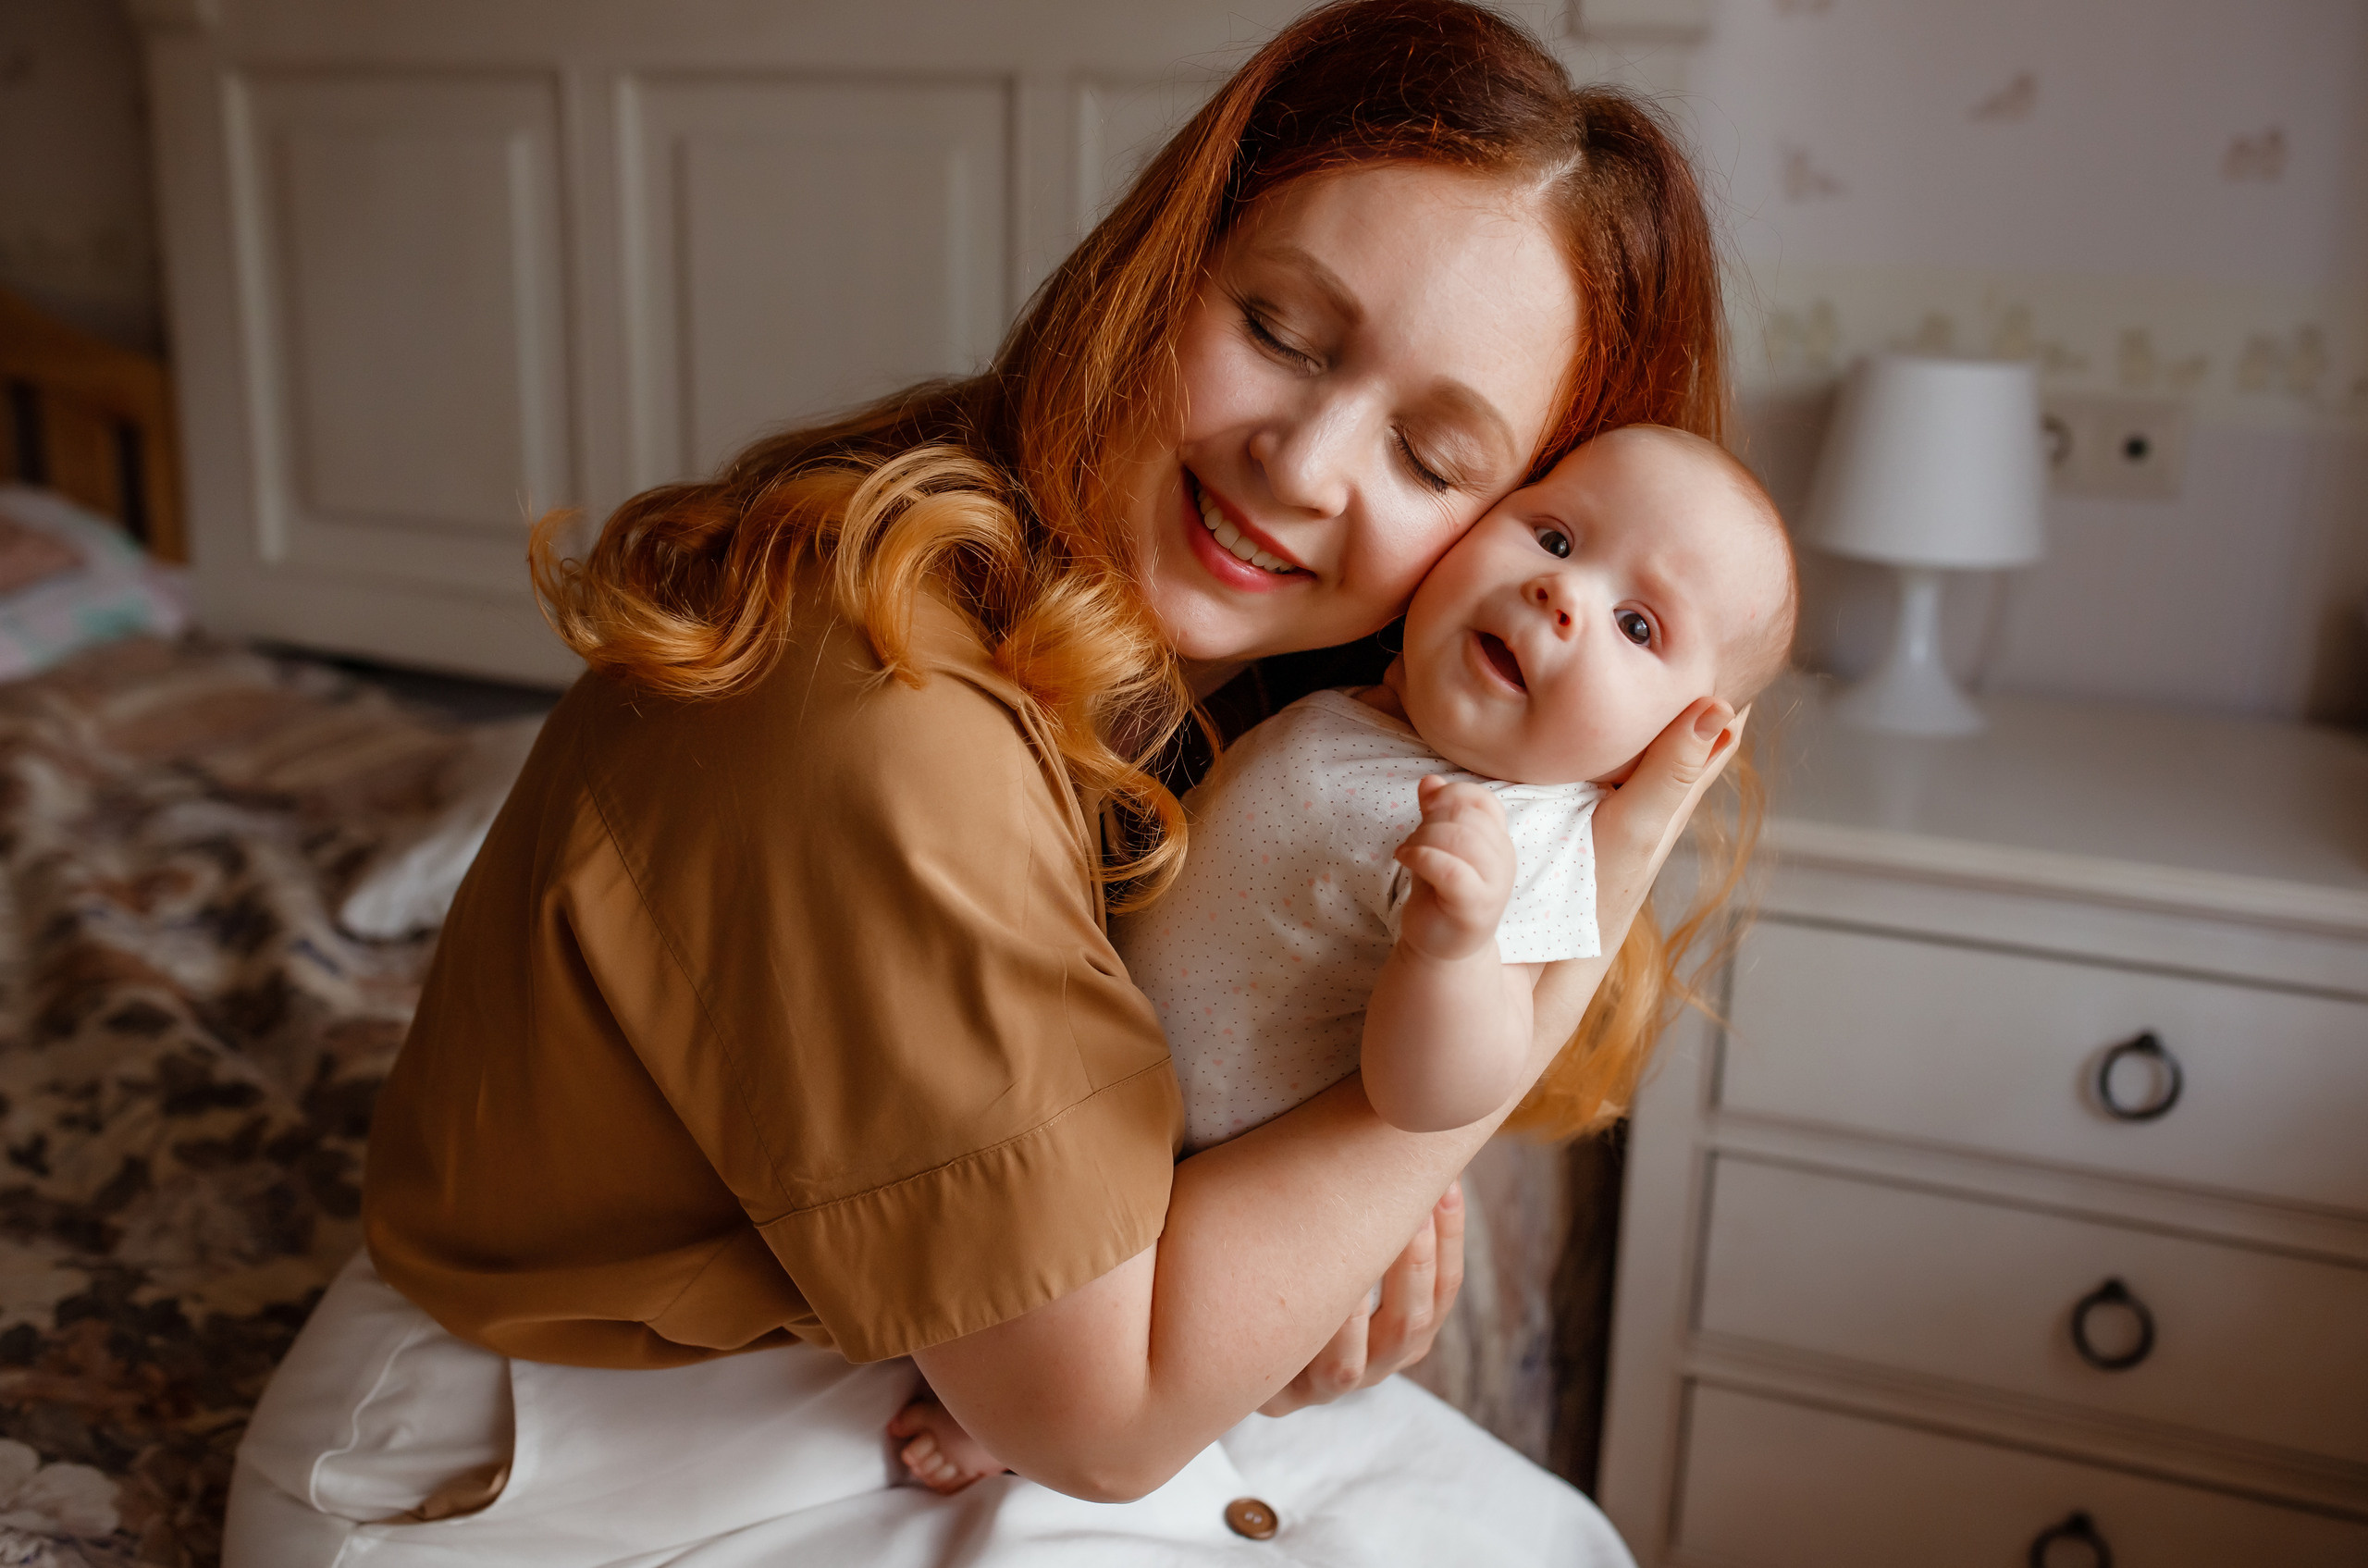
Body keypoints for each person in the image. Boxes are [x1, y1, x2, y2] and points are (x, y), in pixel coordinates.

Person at [221, 4, 1757, 1563]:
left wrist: (1275, 1287)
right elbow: (1100, 1420)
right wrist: (1524, 984)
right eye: (1282, 332)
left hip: (888, 1354)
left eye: (1434, 460)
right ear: (1162, 266)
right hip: (539, 1462)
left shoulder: (1252, 700)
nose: (1303, 465)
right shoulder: (883, 711)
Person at [889, 426, 1795, 1493]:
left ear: (1670, 743)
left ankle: (1004, 1427)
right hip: (1112, 1086)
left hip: (1211, 1169)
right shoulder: (1371, 706)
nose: (1562, 595)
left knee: (1055, 1295)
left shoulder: (1521, 841)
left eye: (1637, 625)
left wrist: (1452, 950)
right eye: (1554, 537)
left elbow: (1437, 1096)